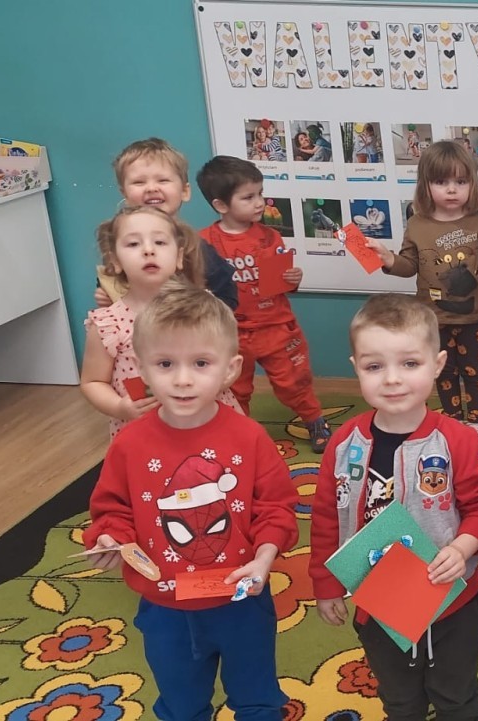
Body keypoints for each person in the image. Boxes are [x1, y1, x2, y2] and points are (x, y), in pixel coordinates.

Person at [83, 281, 296, 721]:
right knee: (180, 706)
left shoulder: (250, 437)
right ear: (141, 367)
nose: (182, 379)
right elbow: (112, 509)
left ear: (230, 369)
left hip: (243, 600)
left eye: (201, 363)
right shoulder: (129, 444)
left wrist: (264, 558)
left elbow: (276, 508)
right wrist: (109, 538)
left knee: (258, 702)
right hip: (165, 606)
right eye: (165, 363)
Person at [308, 293, 478, 721]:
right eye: (374, 366)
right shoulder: (344, 443)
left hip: (452, 604)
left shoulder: (459, 441)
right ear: (356, 367)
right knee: (400, 702)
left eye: (410, 363)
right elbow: (326, 518)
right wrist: (326, 584)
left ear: (438, 364)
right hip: (378, 604)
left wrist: (462, 547)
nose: (392, 379)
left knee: (457, 699)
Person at [371, 141, 478, 446]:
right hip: (433, 318)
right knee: (443, 372)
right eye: (441, 182)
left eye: (461, 181)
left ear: (472, 184)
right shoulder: (417, 225)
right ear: (426, 185)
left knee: (474, 373)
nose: (452, 190)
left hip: (474, 317)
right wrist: (388, 260)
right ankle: (451, 421)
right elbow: (409, 266)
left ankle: (476, 422)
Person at [195, 155, 332, 451]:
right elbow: (197, 285)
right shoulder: (203, 242)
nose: (259, 203)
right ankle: (239, 433)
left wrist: (293, 278)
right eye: (248, 197)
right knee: (234, 387)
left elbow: (281, 282)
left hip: (276, 326)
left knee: (293, 381)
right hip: (229, 332)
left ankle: (314, 419)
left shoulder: (270, 237)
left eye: (260, 193)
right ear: (221, 205)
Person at [81, 206, 242, 436]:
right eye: (133, 244)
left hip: (209, 422)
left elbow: (227, 364)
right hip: (146, 433)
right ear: (115, 260)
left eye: (159, 242)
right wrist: (119, 407)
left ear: (179, 256)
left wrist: (210, 385)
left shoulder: (205, 308)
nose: (148, 250)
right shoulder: (109, 324)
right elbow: (93, 382)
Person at [96, 138, 238, 310]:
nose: (151, 188)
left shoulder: (198, 248)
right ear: (124, 194)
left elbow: (227, 296)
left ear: (184, 191)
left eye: (163, 180)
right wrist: (106, 296)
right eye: (139, 182)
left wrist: (205, 306)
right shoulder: (120, 240)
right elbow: (111, 279)